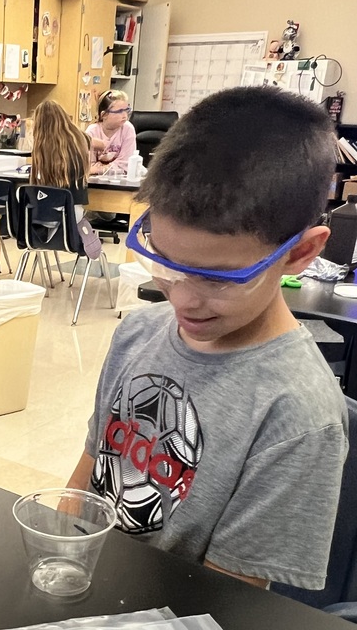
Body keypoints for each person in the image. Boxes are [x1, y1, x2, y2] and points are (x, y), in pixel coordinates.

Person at [67, 86, 348, 590]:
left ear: (301, 254)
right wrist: (65, 552)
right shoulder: (138, 333)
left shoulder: (297, 415)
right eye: (167, 264)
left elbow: (227, 602)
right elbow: (87, 475)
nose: (181, 301)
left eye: (218, 278)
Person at [30, 99, 101, 259]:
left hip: (41, 218)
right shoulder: (80, 138)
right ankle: (87, 236)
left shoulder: (41, 147)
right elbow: (102, 145)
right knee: (84, 215)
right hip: (71, 215)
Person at [86, 90, 136, 175]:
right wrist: (100, 169)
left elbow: (125, 164)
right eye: (119, 111)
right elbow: (88, 166)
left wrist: (100, 169)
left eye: (126, 110)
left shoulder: (128, 129)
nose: (125, 116)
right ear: (104, 115)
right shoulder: (92, 131)